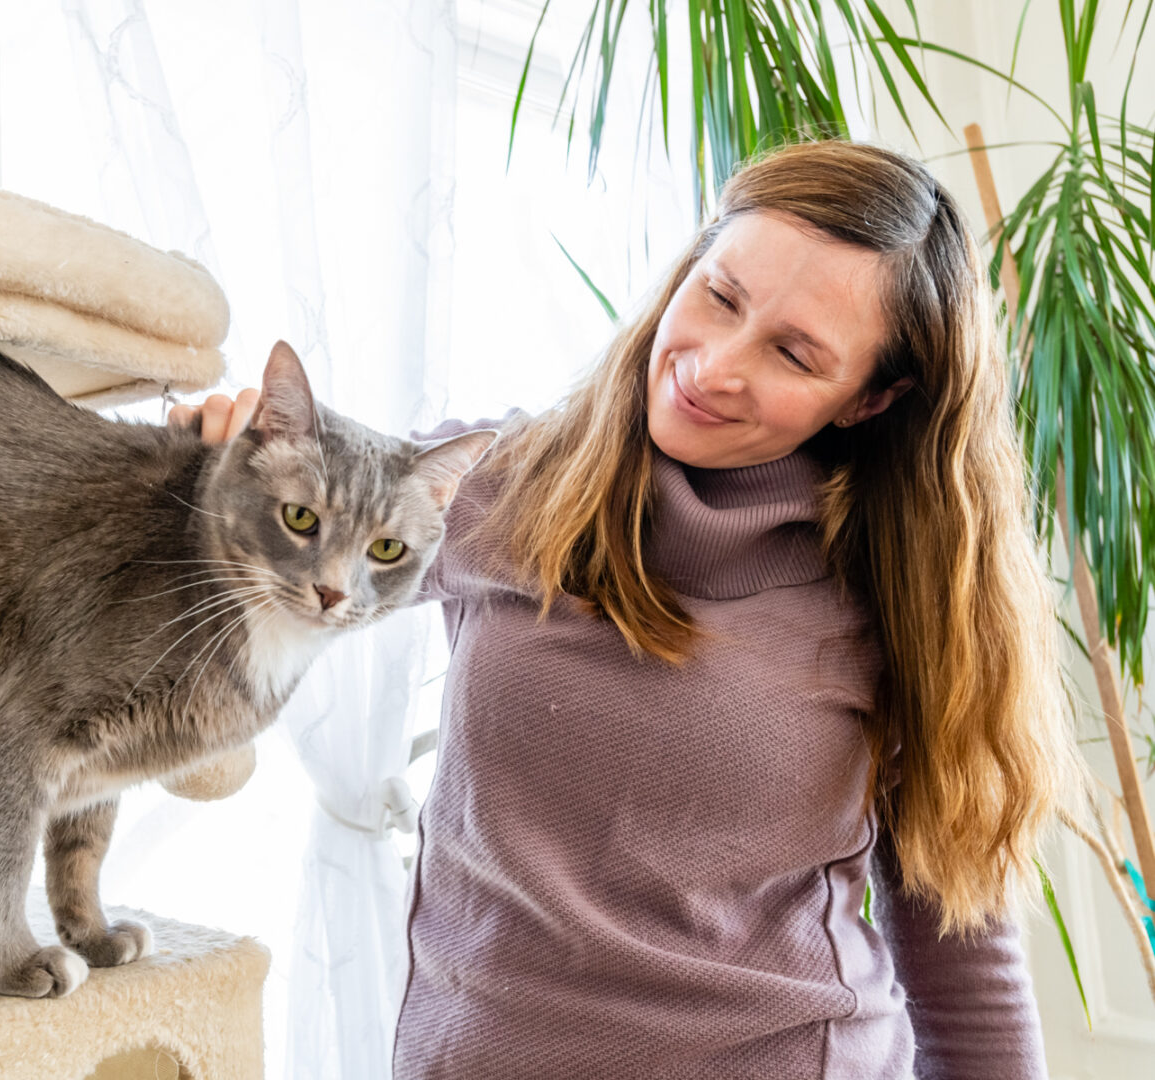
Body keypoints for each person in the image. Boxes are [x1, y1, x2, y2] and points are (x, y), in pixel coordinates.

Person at [170, 140, 1078, 1079]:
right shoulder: (497, 488)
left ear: (869, 399)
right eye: (720, 296)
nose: (713, 366)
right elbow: (287, 534)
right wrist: (212, 463)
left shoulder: (898, 600)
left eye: (795, 354)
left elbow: (964, 963)